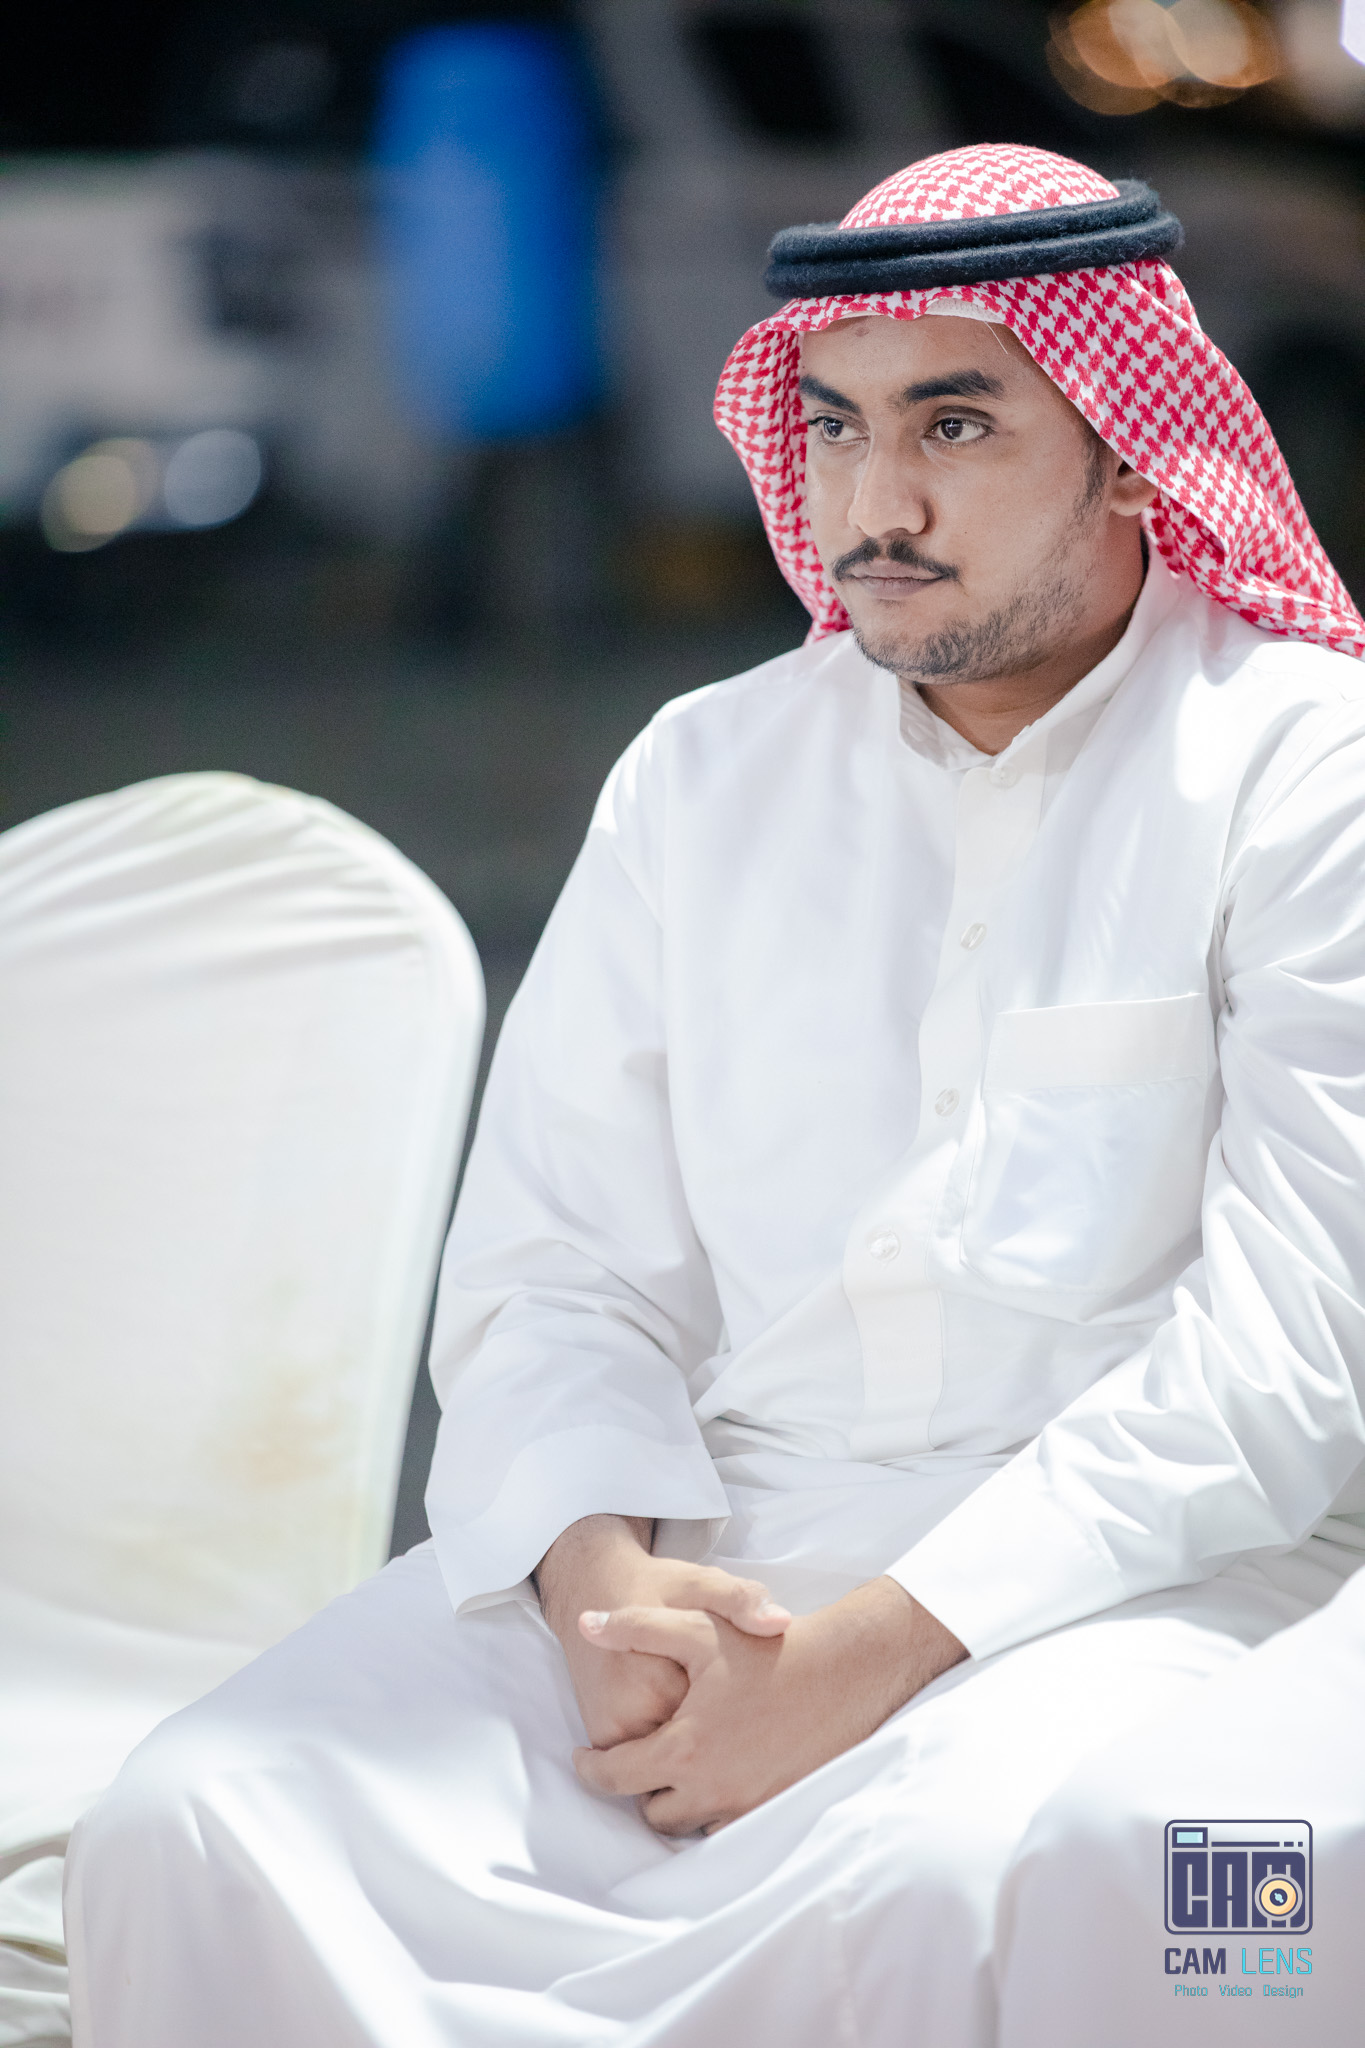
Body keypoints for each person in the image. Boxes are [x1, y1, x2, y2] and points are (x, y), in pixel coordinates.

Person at [64, 144, 1365, 2048]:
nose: (875, 504)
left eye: (952, 426)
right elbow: (558, 1271)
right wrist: (599, 1591)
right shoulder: (703, 774)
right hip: (703, 1548)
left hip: (1141, 1571)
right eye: (833, 428)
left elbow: (1289, 1359)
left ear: (1124, 446)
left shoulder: (1304, 774)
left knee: (953, 1888)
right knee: (200, 1824)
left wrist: (866, 1654)